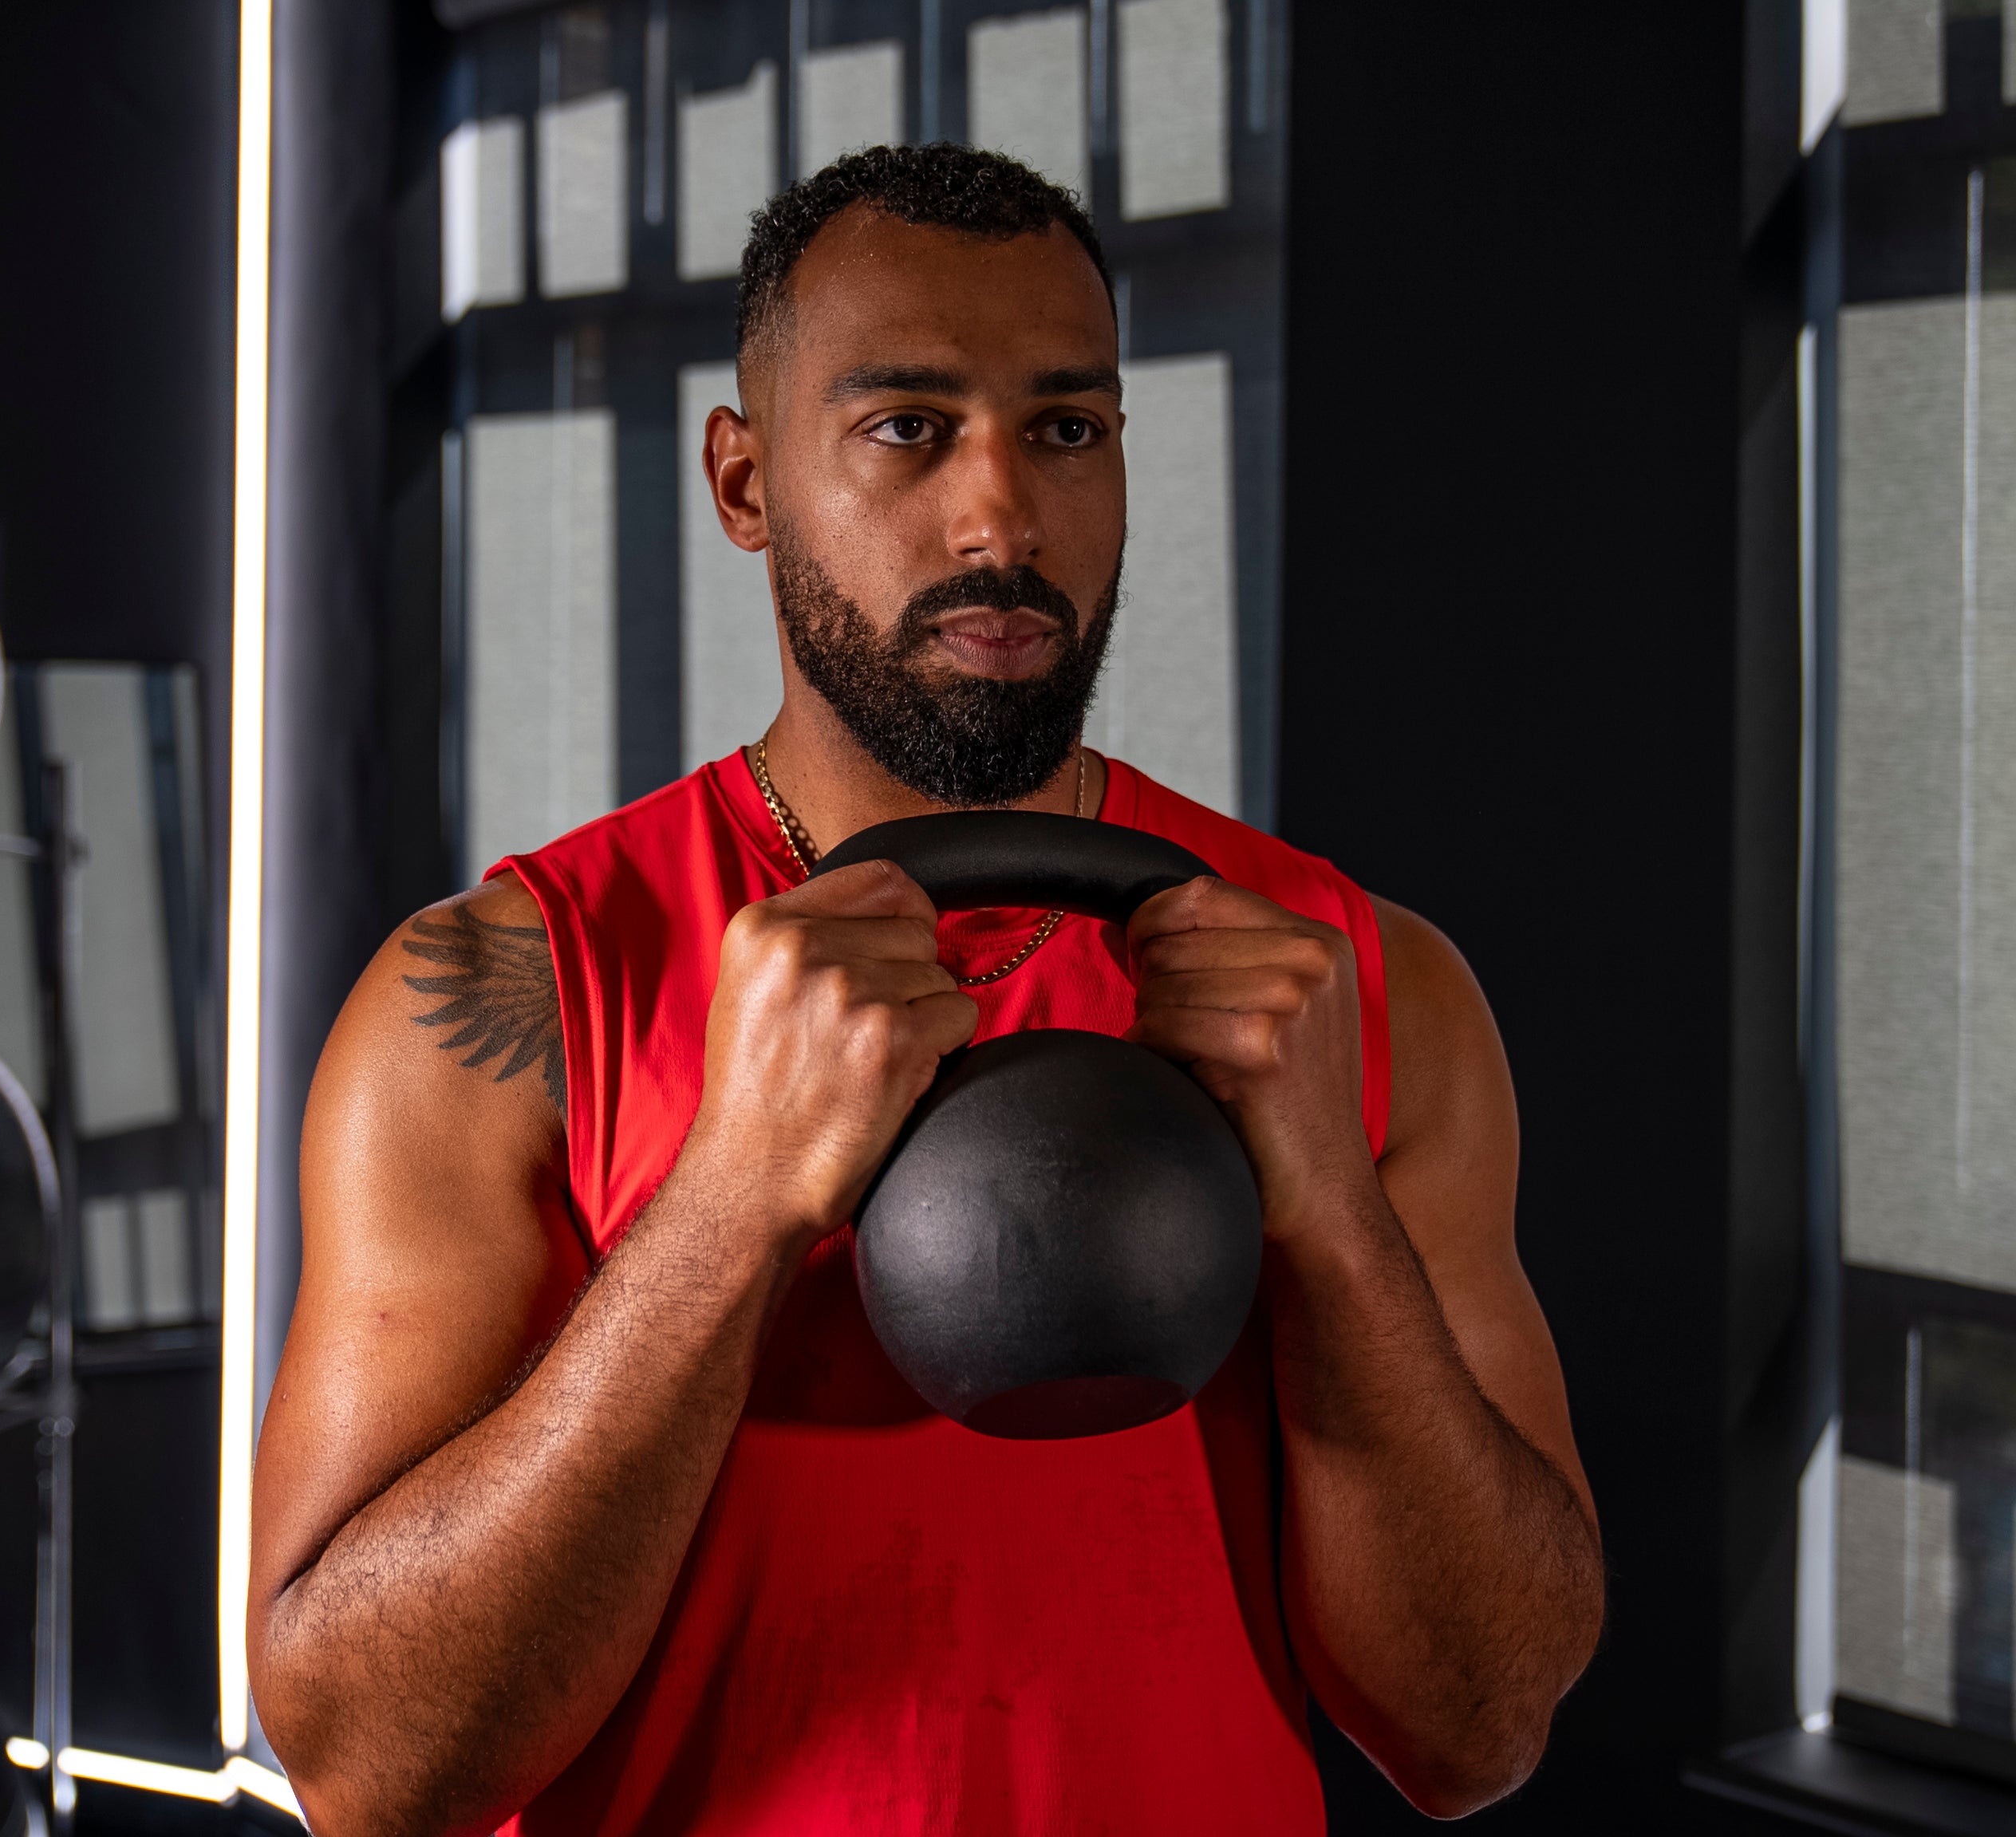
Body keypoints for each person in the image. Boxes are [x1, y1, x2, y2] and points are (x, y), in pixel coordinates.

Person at [249, 144, 1603, 1835]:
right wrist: (732, 1202)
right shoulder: (506, 997)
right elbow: (368, 1772)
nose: (998, 519)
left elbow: (1476, 1732)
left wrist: (1321, 1200)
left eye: (1065, 429)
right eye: (906, 429)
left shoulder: (1358, 983)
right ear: (743, 488)